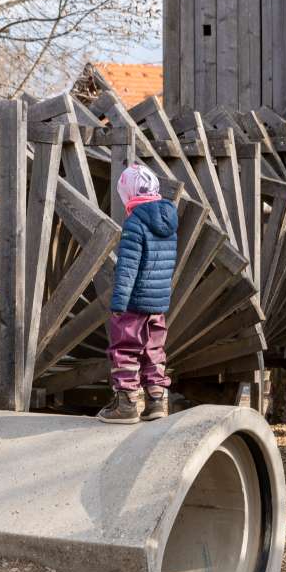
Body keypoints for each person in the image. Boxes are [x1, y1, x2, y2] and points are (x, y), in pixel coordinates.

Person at [98, 163, 178, 425]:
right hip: (157, 302)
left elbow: (128, 267)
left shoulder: (136, 222)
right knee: (154, 349)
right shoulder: (169, 221)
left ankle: (127, 403)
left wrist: (119, 302)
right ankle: (156, 401)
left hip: (134, 301)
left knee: (125, 348)